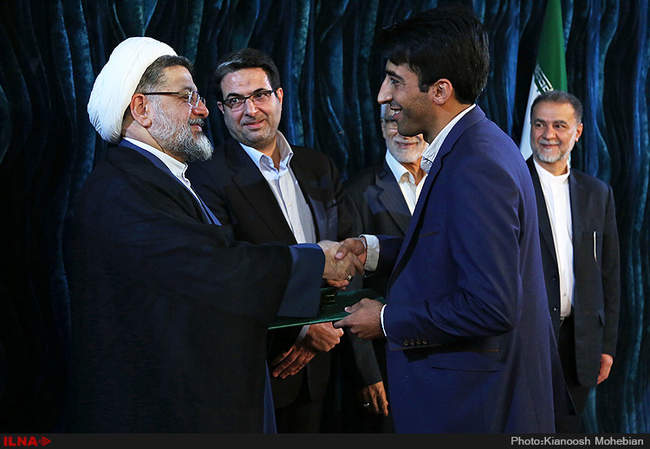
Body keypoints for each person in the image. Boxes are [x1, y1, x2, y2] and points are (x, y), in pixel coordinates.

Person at [63, 37, 360, 432]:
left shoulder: (153, 179)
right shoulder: (123, 191)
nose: (202, 109)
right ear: (141, 108)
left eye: (198, 97)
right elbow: (214, 270)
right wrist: (314, 260)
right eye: (186, 97)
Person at [333, 5, 568, 433]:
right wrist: (375, 252)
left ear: (440, 91)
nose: (383, 95)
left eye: (395, 81)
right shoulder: (474, 146)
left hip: (477, 409)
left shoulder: (476, 164)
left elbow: (491, 305)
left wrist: (386, 320)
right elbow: (456, 250)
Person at [186, 48, 375, 433]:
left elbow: (347, 253)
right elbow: (227, 273)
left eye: (260, 95)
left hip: (329, 361)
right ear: (220, 110)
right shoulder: (206, 178)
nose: (250, 110)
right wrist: (301, 329)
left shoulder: (318, 165)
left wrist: (329, 324)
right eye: (235, 100)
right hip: (264, 367)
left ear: (280, 97)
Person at [526, 90, 620, 424]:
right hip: (527, 341)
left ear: (577, 132)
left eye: (559, 125)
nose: (548, 134)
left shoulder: (598, 193)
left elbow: (609, 275)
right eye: (539, 124)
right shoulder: (510, 186)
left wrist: (606, 345)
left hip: (580, 345)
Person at [338, 103, 427, 432]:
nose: (403, 132)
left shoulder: (448, 182)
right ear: (380, 126)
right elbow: (349, 290)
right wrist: (367, 373)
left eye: (411, 122)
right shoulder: (358, 192)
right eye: (393, 121)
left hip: (446, 351)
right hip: (388, 358)